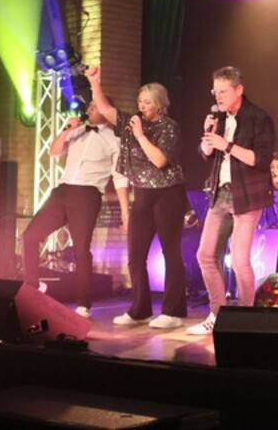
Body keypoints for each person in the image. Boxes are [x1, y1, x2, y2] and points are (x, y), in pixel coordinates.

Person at [86, 67, 188, 329]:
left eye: (148, 102)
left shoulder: (169, 127)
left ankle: (173, 312)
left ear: (160, 104)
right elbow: (105, 109)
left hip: (168, 192)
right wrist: (94, 83)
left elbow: (160, 160)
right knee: (135, 254)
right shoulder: (131, 122)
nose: (142, 106)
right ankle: (140, 310)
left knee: (171, 252)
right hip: (143, 192)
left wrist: (140, 135)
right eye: (140, 101)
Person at [21, 100, 129, 319]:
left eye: (94, 107)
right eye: (89, 106)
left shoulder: (114, 140)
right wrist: (67, 130)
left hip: (87, 195)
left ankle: (84, 304)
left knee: (81, 250)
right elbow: (54, 152)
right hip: (63, 191)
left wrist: (125, 212)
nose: (89, 109)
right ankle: (33, 286)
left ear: (106, 111)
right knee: (29, 236)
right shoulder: (77, 131)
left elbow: (119, 177)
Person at [189, 66, 275, 335]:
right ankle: (217, 314)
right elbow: (205, 153)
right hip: (220, 193)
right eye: (215, 91)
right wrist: (208, 138)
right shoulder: (219, 118)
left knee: (239, 259)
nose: (218, 96)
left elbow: (260, 160)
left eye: (223, 91)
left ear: (239, 90)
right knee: (205, 255)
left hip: (247, 194)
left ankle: (247, 317)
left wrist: (226, 144)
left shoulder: (258, 118)